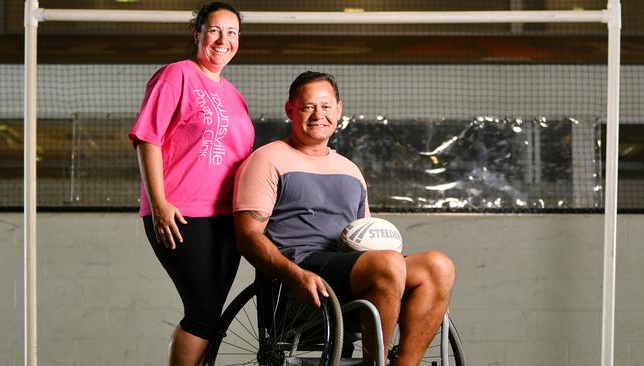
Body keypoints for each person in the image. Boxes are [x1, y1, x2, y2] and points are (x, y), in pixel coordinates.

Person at [233, 71, 455, 365]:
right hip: (299, 277)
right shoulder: (267, 160)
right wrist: (294, 275)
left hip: (350, 272)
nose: (318, 115)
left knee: (438, 266)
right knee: (387, 263)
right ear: (290, 110)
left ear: (338, 109)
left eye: (326, 107)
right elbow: (248, 238)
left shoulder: (350, 170)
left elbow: (365, 240)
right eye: (308, 106)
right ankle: (375, 363)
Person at [128, 2, 254, 365]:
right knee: (201, 312)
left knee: (210, 316)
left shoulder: (235, 97)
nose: (223, 40)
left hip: (226, 220)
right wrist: (159, 203)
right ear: (197, 33)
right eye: (214, 29)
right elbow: (147, 138)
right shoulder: (177, 74)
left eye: (232, 33)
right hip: (181, 214)